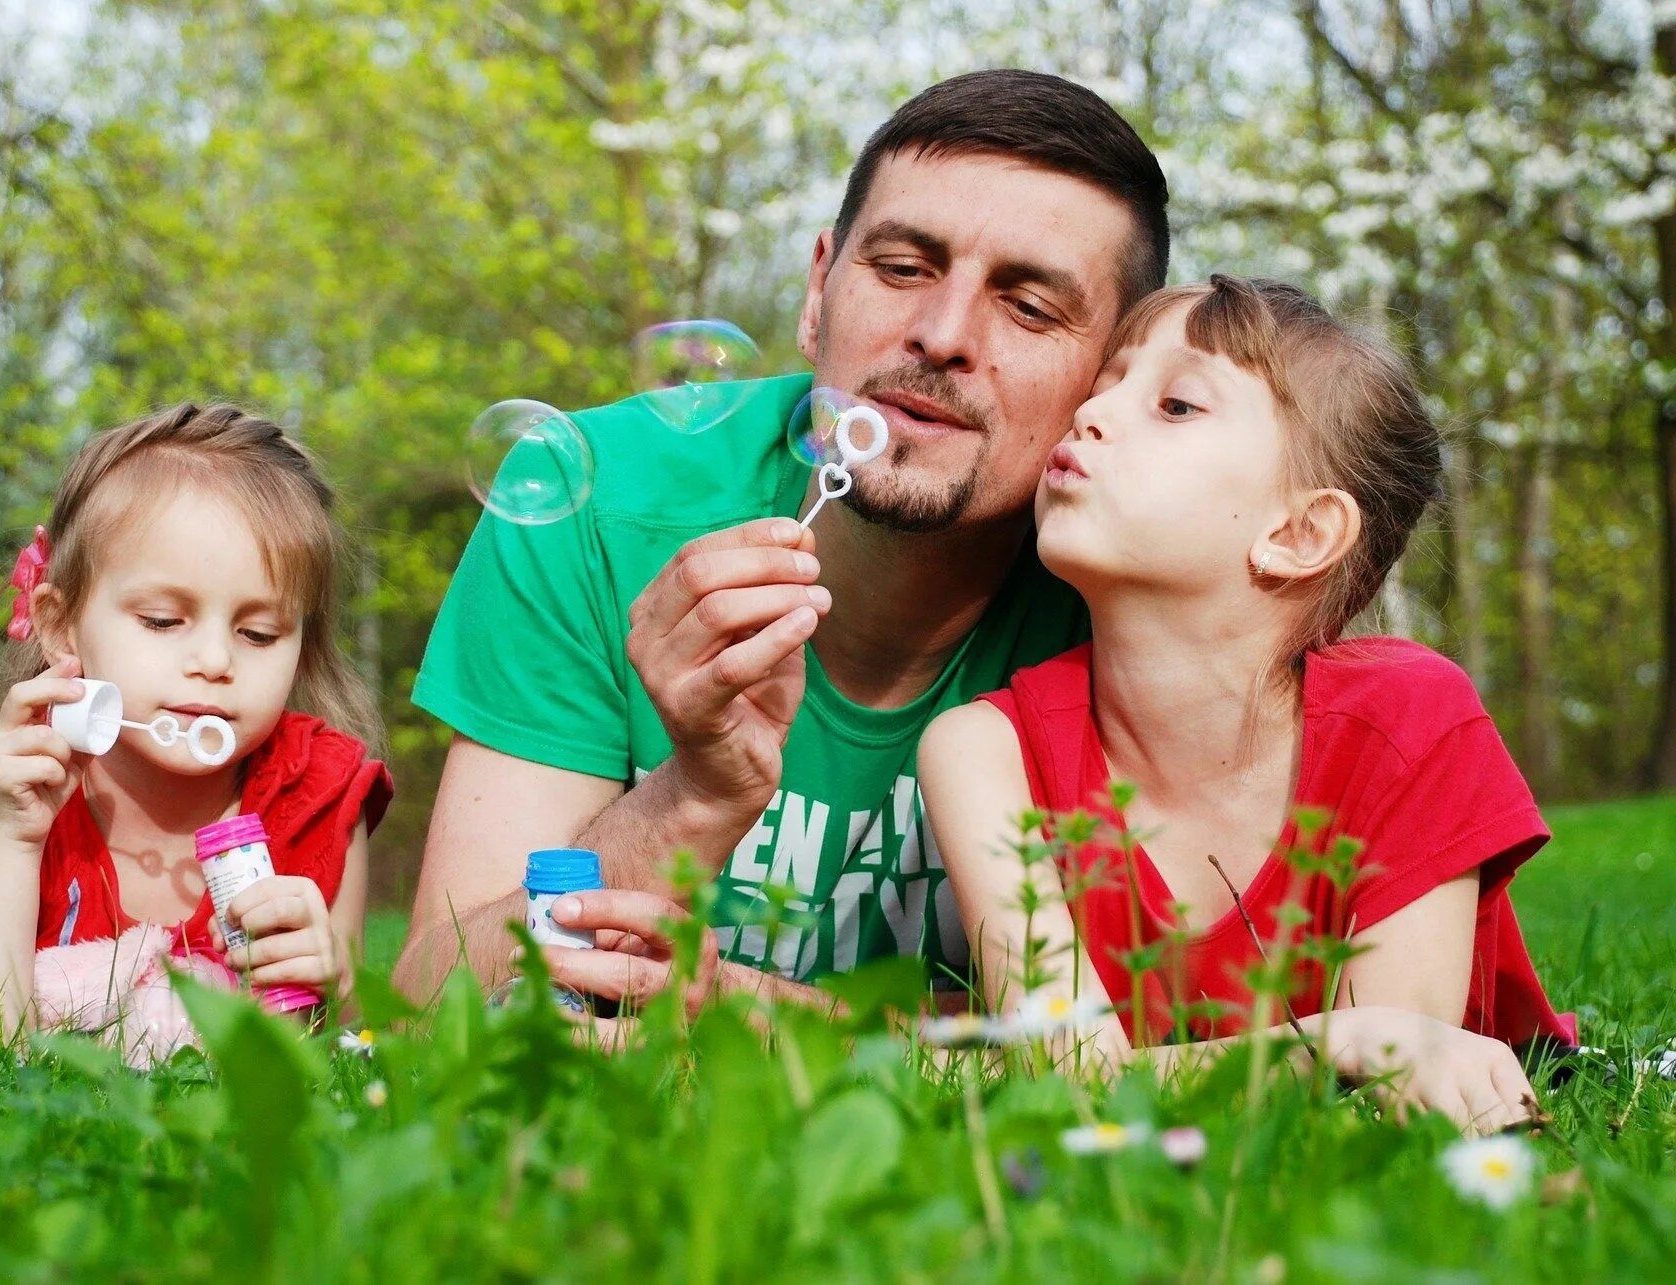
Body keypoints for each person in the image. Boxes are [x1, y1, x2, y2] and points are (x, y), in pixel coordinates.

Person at [397, 69, 1170, 1019]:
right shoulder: (584, 495)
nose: (941, 334)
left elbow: (1146, 1047)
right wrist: (692, 798)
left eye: (1029, 306)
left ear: (1111, 381)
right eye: (902, 268)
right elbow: (428, 1000)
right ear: (818, 291)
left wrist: (767, 1021)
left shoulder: (1140, 587)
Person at [918, 276, 1574, 1133]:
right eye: (1105, 382)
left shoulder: (1411, 719)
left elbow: (1393, 1085)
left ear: (1299, 533)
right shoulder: (980, 748)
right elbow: (1068, 1072)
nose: (1092, 413)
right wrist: (1333, 1039)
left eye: (1176, 404)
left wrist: (1364, 1045)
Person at [0, 403, 393, 1067]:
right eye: (162, 620)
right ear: (61, 626)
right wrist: (15, 837)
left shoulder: (319, 795)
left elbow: (348, 1055)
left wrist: (336, 982)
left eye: (258, 632)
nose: (215, 661)